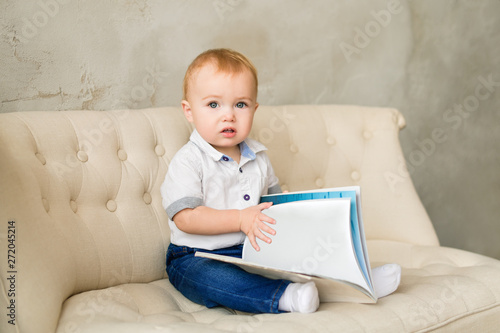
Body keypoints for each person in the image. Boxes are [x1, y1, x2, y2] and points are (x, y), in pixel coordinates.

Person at [160, 48, 400, 314]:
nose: (228, 115)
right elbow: (187, 218)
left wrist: (286, 209)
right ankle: (284, 297)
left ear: (254, 108)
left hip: (250, 250)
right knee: (218, 279)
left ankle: (357, 281)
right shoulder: (189, 161)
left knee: (302, 251)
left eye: (240, 104)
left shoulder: (258, 157)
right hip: (195, 256)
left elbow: (269, 204)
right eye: (213, 104)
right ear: (189, 110)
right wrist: (240, 219)